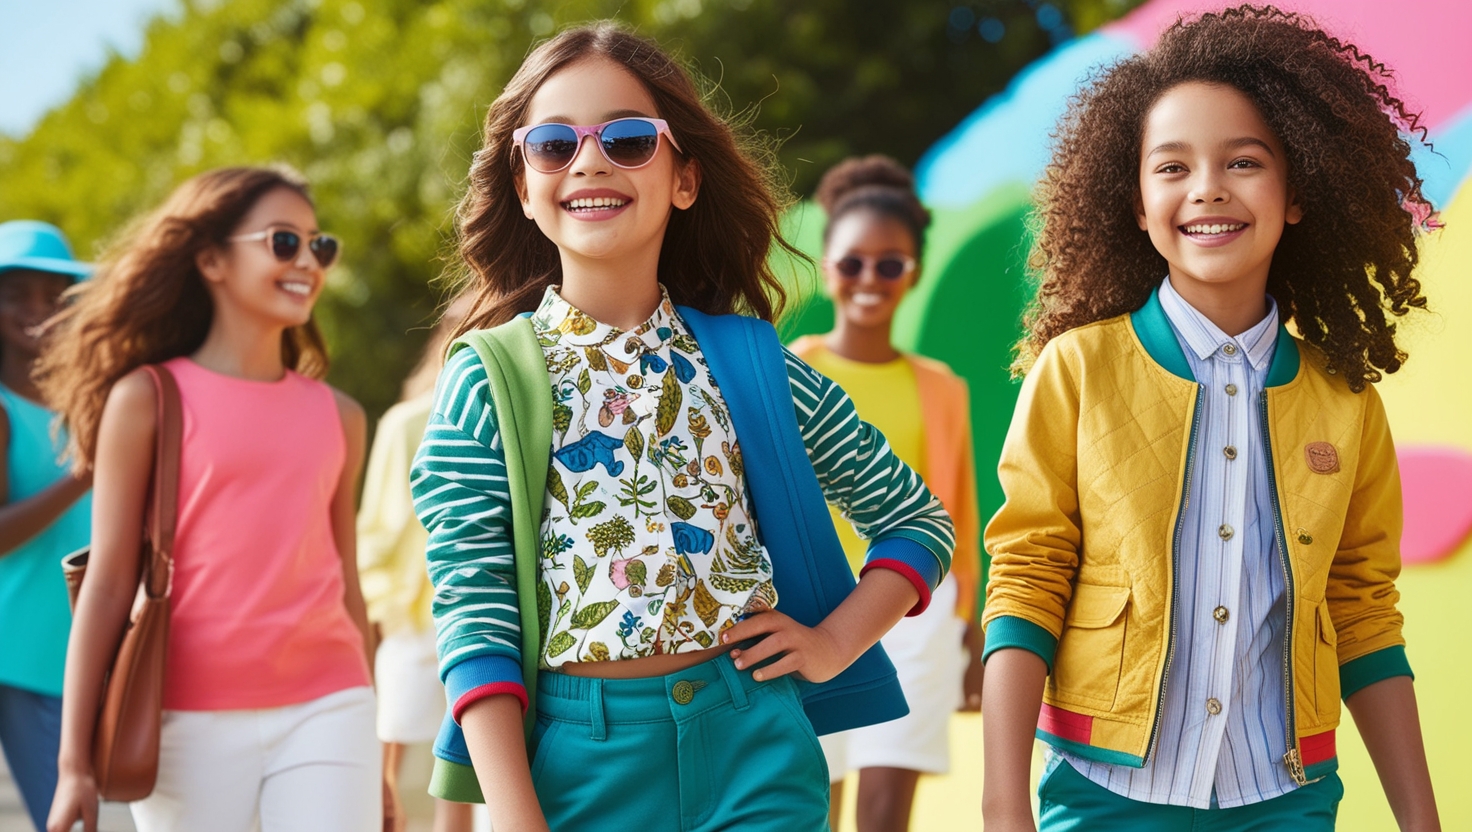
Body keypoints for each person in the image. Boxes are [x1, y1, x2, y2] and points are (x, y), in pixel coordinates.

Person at [410, 22, 955, 832]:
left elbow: (918, 522)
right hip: (581, 772)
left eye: (628, 140)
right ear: (524, 188)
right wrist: (519, 818)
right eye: (553, 145)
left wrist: (835, 641)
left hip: (756, 747)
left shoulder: (753, 364)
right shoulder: (485, 381)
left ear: (685, 179)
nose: (589, 161)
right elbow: (473, 611)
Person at [980, 6, 1440, 831]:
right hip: (1104, 795)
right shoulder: (1076, 370)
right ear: (1135, 203)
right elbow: (1029, 577)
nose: (1208, 188)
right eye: (1172, 167)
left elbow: (1363, 605)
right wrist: (1003, 802)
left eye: (1244, 161)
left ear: (1298, 194)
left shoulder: (1346, 400)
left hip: (1287, 799)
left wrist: (1421, 818)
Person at [40, 167, 382, 832]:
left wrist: (373, 741)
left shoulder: (340, 415)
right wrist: (74, 766)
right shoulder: (146, 400)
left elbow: (347, 583)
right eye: (285, 242)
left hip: (332, 707)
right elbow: (108, 585)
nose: (308, 262)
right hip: (183, 720)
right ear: (210, 259)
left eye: (320, 246)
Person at [788, 156, 983, 832]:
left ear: (914, 273)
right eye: (853, 263)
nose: (870, 280)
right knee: (815, 794)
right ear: (828, 264)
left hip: (915, 614)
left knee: (883, 813)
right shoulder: (791, 371)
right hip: (810, 610)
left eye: (890, 264)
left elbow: (954, 510)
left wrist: (971, 628)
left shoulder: (942, 387)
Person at [358, 294, 477, 832]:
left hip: (476, 610)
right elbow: (378, 526)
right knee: (390, 749)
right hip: (412, 618)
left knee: (461, 752)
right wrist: (384, 609)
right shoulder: (405, 422)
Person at [0, 221, 93, 832]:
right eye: (17, 294)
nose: (37, 310)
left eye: (52, 295)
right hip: (19, 654)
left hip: (79, 650)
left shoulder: (88, 398)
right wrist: (84, 475)